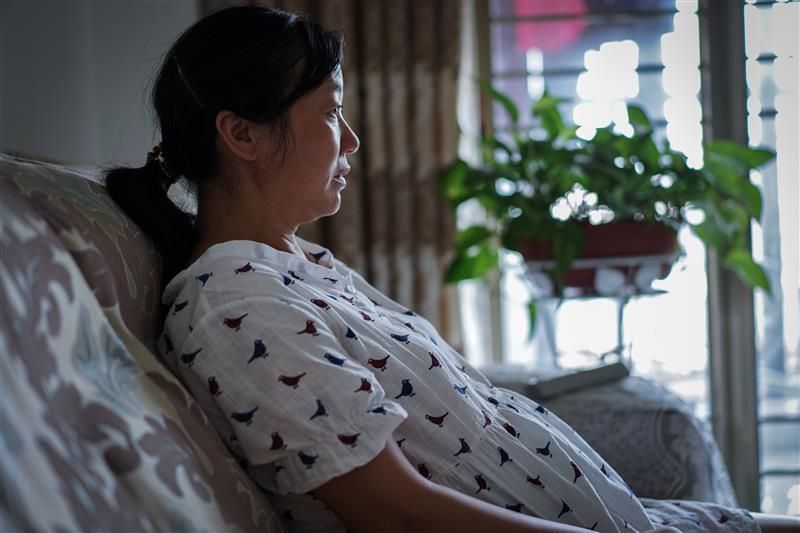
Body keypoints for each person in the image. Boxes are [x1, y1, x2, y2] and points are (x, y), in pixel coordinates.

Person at [105, 6, 799, 533]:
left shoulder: (295, 263)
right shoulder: (234, 307)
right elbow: (401, 512)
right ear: (241, 134)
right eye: (332, 112)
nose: (352, 140)